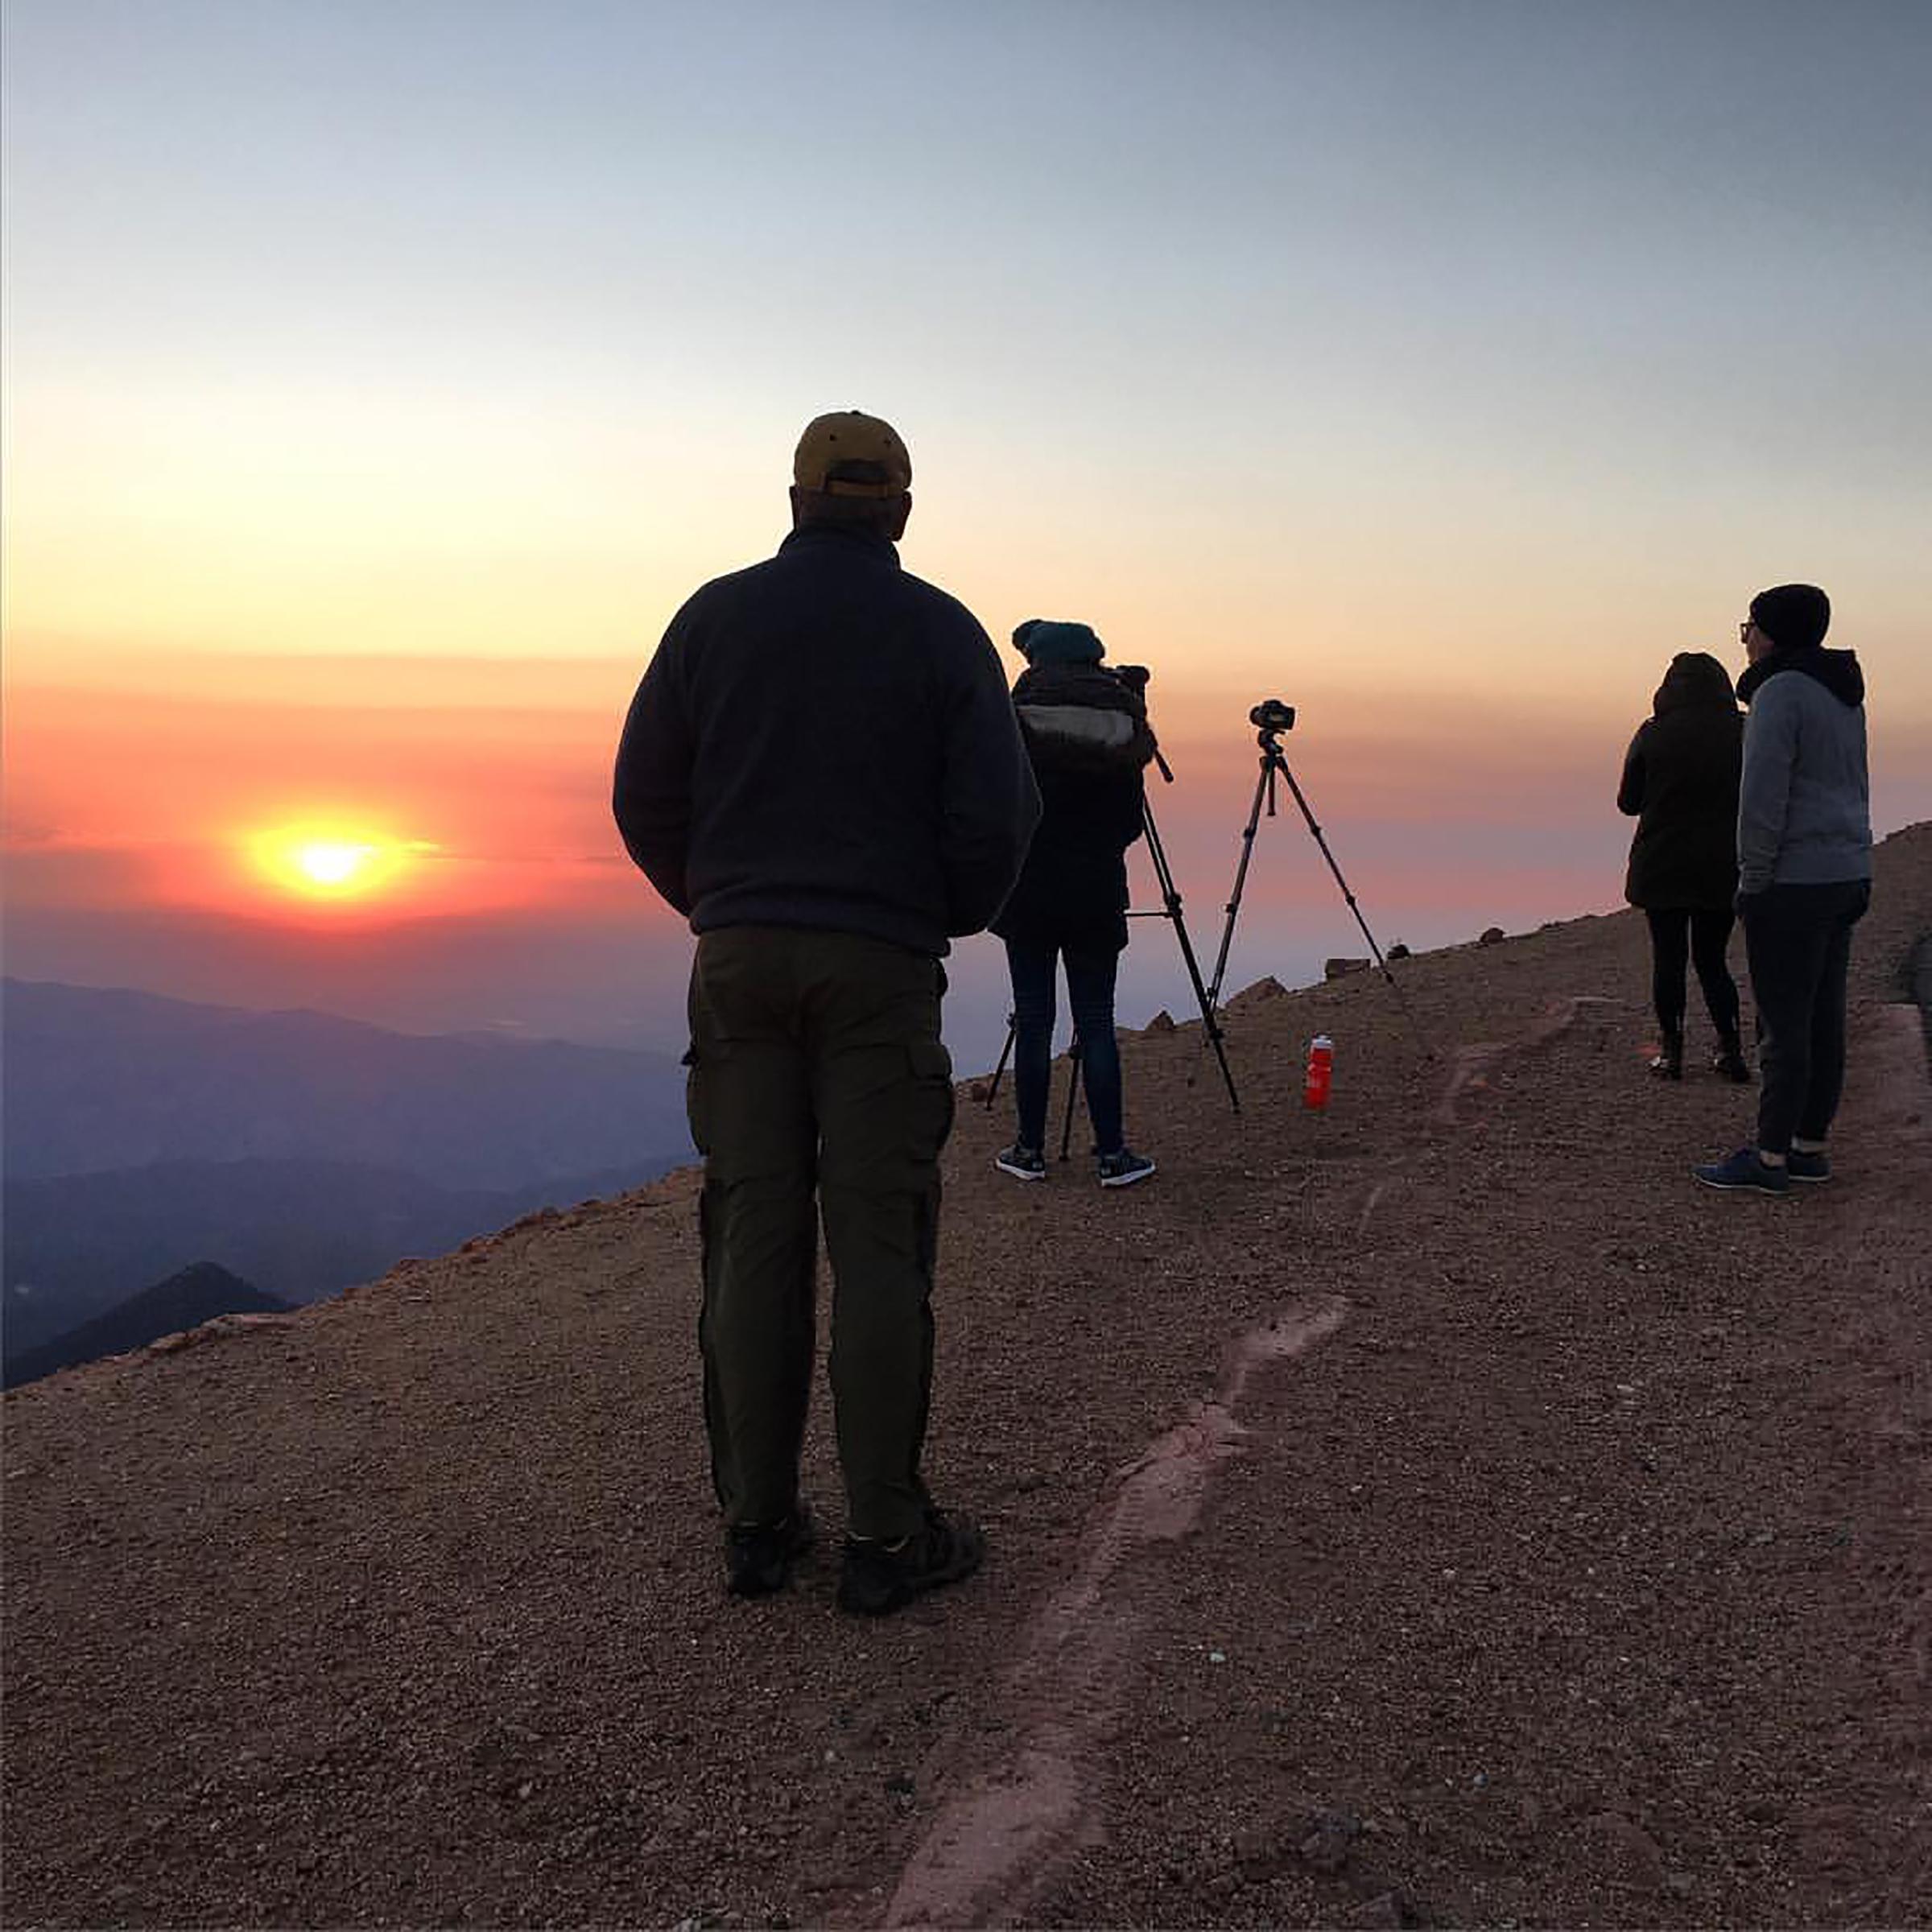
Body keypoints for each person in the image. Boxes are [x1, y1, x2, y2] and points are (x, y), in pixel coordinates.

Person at [612, 410, 1040, 1612]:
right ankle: (888, 1542)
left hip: (739, 964)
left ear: (796, 500)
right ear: (899, 508)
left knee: (754, 1240)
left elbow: (642, 791)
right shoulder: (944, 632)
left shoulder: (713, 616)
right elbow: (1001, 819)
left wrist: (720, 903)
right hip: (878, 971)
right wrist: (934, 915)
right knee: (878, 1246)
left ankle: (757, 1527)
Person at [1695, 583, 1872, 1197]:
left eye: (1750, 626)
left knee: (1784, 1023)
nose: (1744, 638)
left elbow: (1763, 799)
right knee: (1824, 1017)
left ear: (1773, 633)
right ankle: (1809, 1145)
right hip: (1846, 871)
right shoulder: (1843, 691)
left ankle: (1769, 1156)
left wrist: (1753, 879)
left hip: (1793, 880)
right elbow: (1856, 784)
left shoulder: (1779, 694)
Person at [989, 619, 1158, 1187]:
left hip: (1027, 894)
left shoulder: (1012, 720)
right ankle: (1113, 1156)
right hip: (1096, 894)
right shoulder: (1122, 724)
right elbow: (1129, 824)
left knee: (1033, 1020)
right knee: (1097, 1021)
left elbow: (1001, 809)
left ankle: (1028, 1151)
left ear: (1037, 662)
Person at [1616, 651, 1748, 1082]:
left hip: (1663, 863)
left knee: (1668, 958)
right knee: (1712, 958)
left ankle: (1672, 1053)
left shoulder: (1652, 734)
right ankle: (1731, 1049)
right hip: (1723, 863)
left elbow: (1628, 802)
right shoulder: (1745, 732)